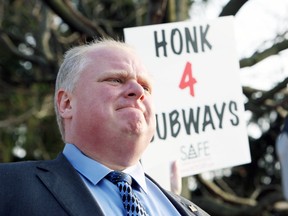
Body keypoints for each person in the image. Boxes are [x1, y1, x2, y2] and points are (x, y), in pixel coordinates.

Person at [0, 38, 210, 216]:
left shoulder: (191, 212)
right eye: (116, 80)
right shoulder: (8, 187)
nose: (138, 90)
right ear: (67, 103)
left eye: (146, 86)